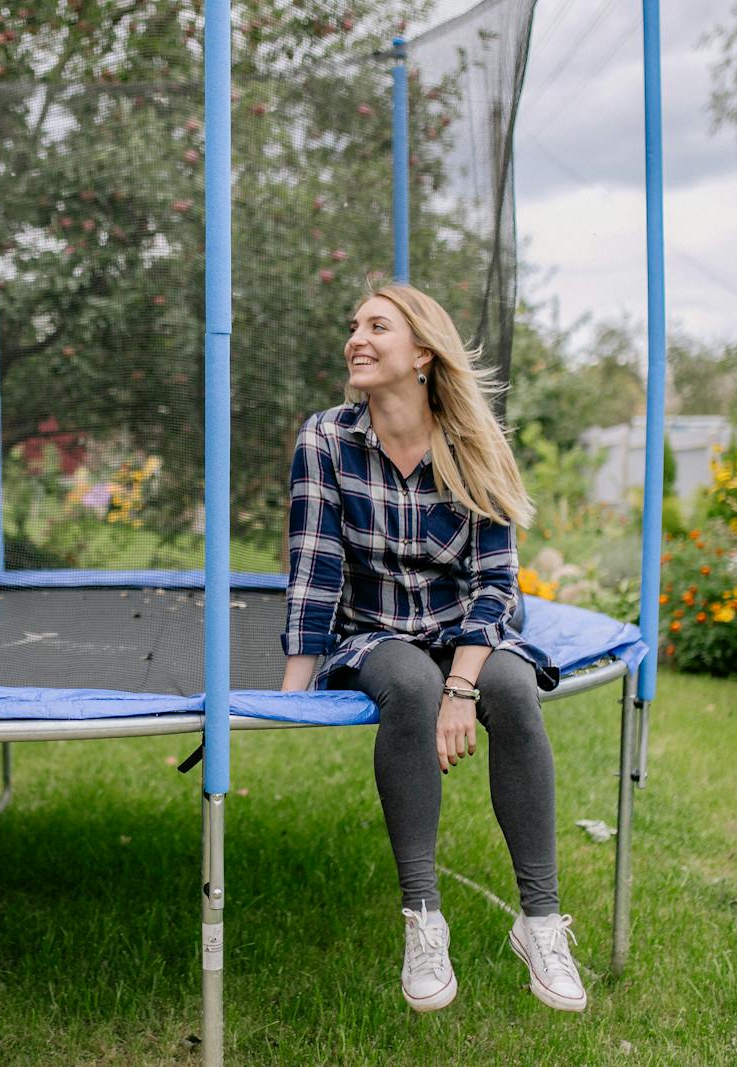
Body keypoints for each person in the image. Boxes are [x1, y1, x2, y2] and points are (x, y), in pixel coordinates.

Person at [279, 283, 585, 1014]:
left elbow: (494, 583)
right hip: (374, 631)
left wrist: (465, 685)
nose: (356, 337)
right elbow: (315, 566)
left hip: (466, 630)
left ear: (421, 353)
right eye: (353, 325)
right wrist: (288, 696)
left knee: (510, 689)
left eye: (376, 326)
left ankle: (540, 921)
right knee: (411, 686)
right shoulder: (325, 440)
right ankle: (424, 918)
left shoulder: (475, 441)